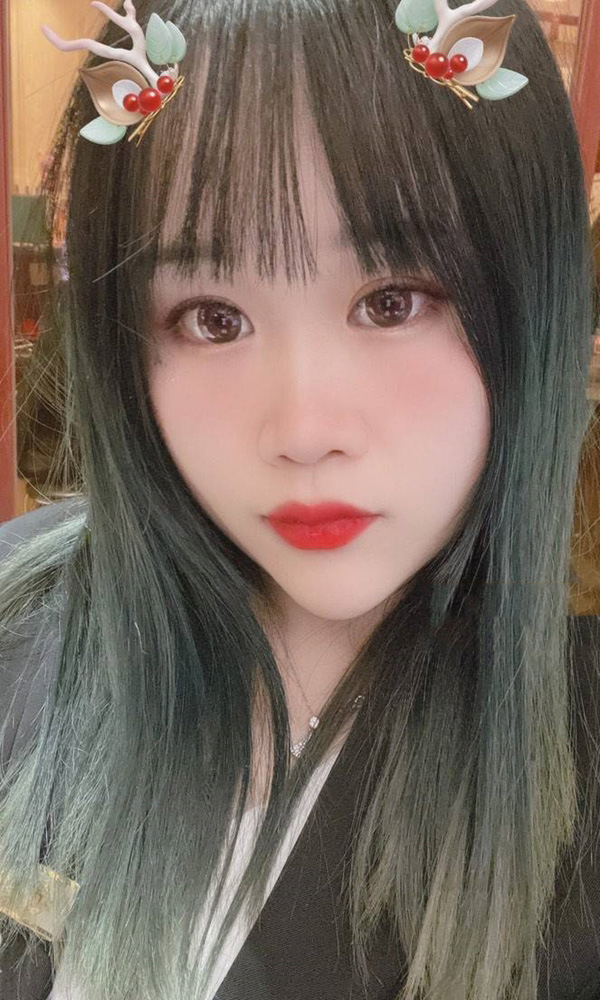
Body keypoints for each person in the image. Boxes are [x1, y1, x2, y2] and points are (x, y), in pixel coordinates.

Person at [1, 0, 599, 997]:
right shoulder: (22, 625)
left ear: (531, 294)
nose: (304, 428)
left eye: (393, 302)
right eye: (212, 317)